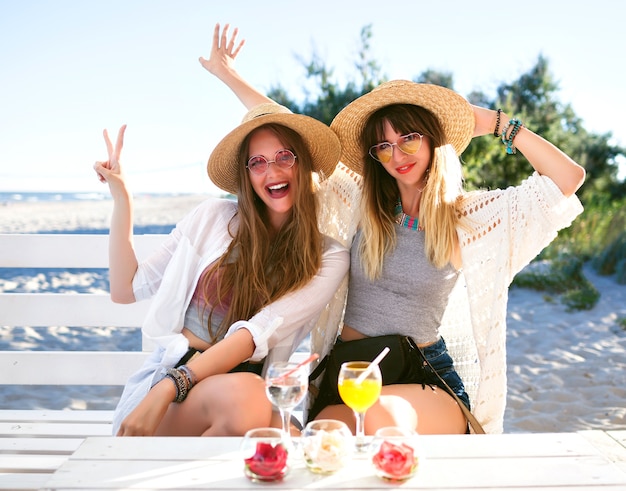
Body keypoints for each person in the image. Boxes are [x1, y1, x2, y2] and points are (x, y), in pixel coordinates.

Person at [202, 24, 585, 435]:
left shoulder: (468, 217)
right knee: (325, 432)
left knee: (373, 420)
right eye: (383, 145)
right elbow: (289, 129)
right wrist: (230, 76)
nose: (396, 154)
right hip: (351, 375)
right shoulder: (361, 201)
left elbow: (567, 178)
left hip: (425, 378)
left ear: (432, 140)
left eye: (409, 138)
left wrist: (494, 123)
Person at [93, 66, 349, 436]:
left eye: (284, 157)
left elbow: (254, 334)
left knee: (295, 434)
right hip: (170, 393)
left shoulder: (327, 256)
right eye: (257, 163)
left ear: (303, 162)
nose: (271, 171)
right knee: (249, 401)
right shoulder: (214, 218)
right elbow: (125, 289)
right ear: (246, 176)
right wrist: (122, 197)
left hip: (244, 394)